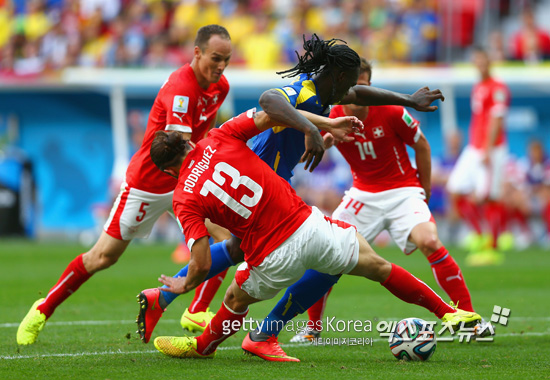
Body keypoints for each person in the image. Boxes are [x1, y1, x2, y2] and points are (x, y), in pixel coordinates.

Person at [136, 35, 446, 354]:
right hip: (261, 173)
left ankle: (169, 300)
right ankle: (232, 325)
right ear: (339, 76)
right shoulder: (307, 90)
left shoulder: (325, 90)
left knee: (234, 248)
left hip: (266, 174)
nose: (352, 93)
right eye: (350, 83)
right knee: (258, 253)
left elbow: (357, 93)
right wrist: (314, 130)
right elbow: (270, 102)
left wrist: (407, 100)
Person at [148, 109, 481, 362]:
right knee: (379, 268)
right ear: (189, 141)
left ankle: (205, 346)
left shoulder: (183, 199)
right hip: (311, 227)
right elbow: (271, 112)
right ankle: (450, 313)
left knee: (235, 299)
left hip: (270, 259)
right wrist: (321, 125)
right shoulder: (220, 135)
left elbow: (202, 261)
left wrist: (184, 284)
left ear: (167, 171)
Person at [16, 24, 233, 345]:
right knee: (102, 258)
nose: (221, 66)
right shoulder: (181, 88)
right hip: (149, 181)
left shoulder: (220, 86)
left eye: (227, 60)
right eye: (216, 58)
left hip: (185, 182)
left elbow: (202, 137)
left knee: (230, 239)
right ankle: (43, 308)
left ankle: (197, 309)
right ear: (197, 52)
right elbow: (182, 148)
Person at [290, 58, 480, 343]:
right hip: (362, 194)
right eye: (351, 85)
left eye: (362, 85)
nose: (356, 91)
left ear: (370, 86)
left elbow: (422, 145)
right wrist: (324, 140)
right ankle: (312, 329)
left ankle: (468, 318)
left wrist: (424, 191)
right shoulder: (335, 113)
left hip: (403, 190)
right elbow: (324, 137)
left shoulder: (392, 112)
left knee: (429, 241)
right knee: (325, 252)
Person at [446, 46, 511, 266]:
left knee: (489, 196)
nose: (480, 65)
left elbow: (497, 119)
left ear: (489, 62)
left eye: (483, 61)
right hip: (474, 147)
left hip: (490, 148)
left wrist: (488, 148)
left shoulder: (498, 87)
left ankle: (492, 248)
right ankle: (478, 235)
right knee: (455, 188)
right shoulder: (478, 87)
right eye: (477, 61)